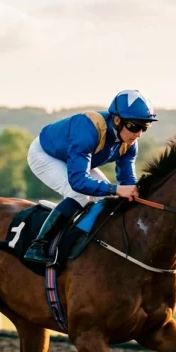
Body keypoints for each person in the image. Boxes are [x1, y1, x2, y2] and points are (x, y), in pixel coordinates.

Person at [23, 90, 156, 265]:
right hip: (45, 154)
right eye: (134, 126)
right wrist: (116, 189)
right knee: (79, 194)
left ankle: (87, 239)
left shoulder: (130, 144)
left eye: (144, 127)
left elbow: (128, 181)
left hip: (72, 158)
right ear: (117, 120)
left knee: (106, 197)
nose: (139, 134)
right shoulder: (88, 129)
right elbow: (78, 182)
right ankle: (37, 245)